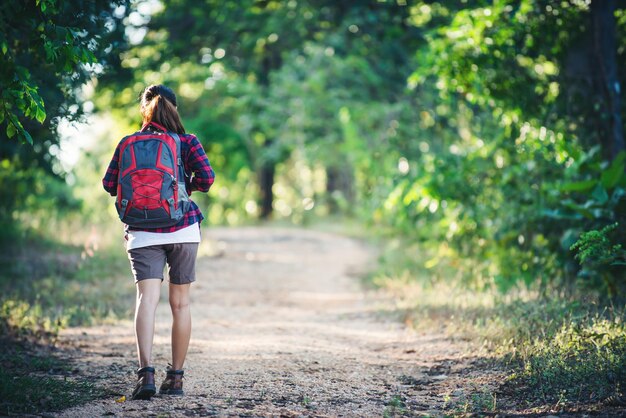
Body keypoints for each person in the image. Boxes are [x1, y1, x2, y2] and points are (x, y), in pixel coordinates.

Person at [102, 84, 215, 400]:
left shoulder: (128, 143)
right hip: (183, 230)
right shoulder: (187, 142)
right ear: (175, 109)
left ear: (144, 110)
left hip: (142, 232)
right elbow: (207, 179)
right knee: (180, 304)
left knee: (146, 301)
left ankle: (146, 376)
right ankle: (176, 379)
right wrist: (181, 190)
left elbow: (109, 184)